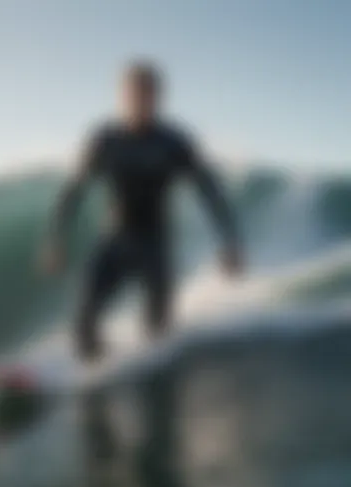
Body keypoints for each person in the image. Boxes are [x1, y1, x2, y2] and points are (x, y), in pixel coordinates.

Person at [40, 60, 244, 362]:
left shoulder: (175, 142)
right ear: (122, 96)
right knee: (84, 320)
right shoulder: (104, 139)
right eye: (134, 93)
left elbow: (210, 190)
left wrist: (230, 242)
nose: (141, 100)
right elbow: (73, 190)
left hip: (155, 246)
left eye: (148, 94)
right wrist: (55, 239)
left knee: (157, 332)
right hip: (114, 241)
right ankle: (94, 377)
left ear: (159, 97)